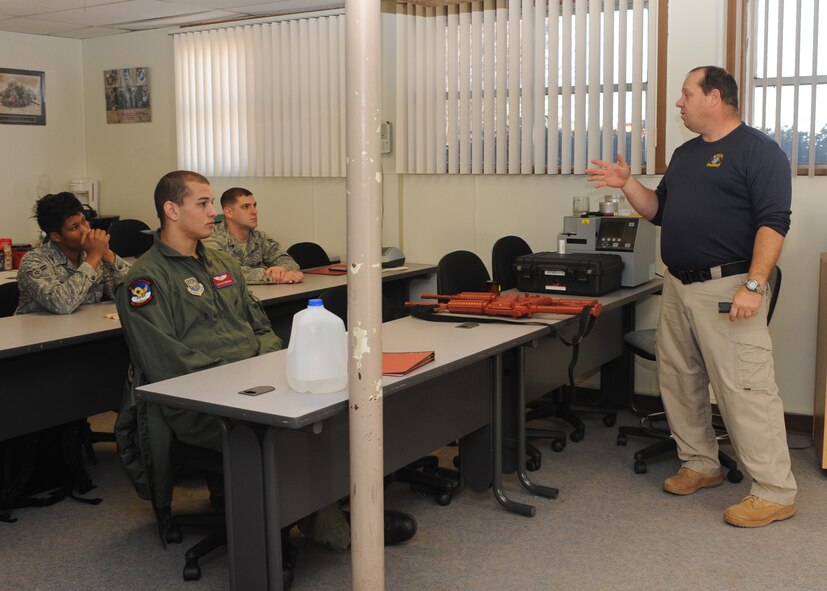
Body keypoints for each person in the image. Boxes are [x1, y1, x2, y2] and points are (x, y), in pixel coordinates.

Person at [114, 171, 414, 587]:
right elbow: (167, 363)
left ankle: (325, 513)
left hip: (254, 385)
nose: (212, 214)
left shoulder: (220, 262)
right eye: (201, 203)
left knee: (324, 410)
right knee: (280, 434)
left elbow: (258, 325)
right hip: (197, 403)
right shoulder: (144, 281)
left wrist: (276, 369)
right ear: (171, 209)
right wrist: (242, 381)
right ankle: (323, 531)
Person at [586, 66, 796, 528]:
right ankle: (701, 464)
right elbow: (658, 211)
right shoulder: (684, 155)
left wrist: (754, 286)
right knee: (680, 380)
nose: (679, 103)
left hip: (729, 288)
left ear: (714, 97)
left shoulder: (760, 152)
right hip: (678, 285)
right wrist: (626, 184)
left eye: (686, 94)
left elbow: (774, 223)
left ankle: (776, 490)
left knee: (746, 390)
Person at [16, 192, 130, 315]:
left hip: (86, 327)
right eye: (74, 228)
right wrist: (94, 256)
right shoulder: (34, 261)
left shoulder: (91, 253)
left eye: (84, 221)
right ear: (56, 236)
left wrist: (107, 254)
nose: (86, 230)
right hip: (42, 331)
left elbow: (131, 292)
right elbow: (61, 305)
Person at [203, 187, 304, 285]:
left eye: (254, 206)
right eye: (246, 207)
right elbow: (225, 272)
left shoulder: (259, 237)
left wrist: (281, 270)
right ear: (229, 212)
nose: (254, 212)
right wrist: (271, 276)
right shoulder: (211, 239)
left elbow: (286, 260)